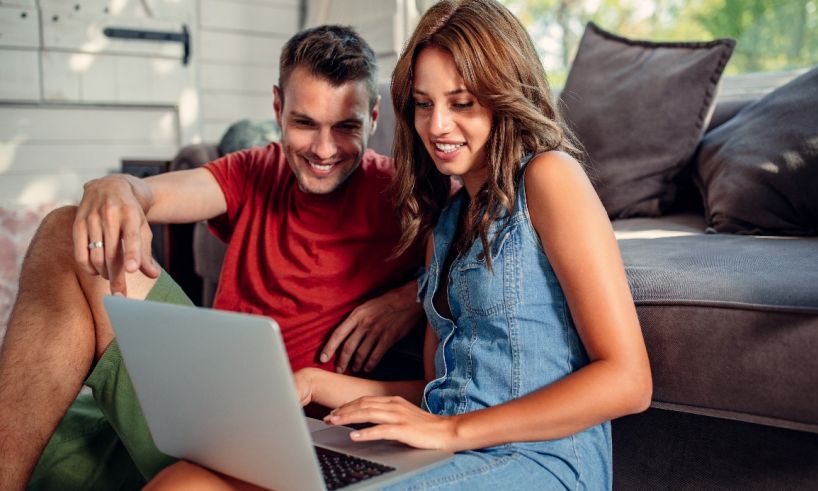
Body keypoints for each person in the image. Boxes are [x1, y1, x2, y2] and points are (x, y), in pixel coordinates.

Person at [146, 0, 653, 489]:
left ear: (504, 97)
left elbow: (628, 381)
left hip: (538, 460)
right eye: (423, 104)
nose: (437, 126)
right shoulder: (444, 226)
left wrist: (449, 431)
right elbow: (447, 393)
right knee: (186, 481)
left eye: (462, 104)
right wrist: (311, 382)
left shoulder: (548, 177)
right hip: (446, 449)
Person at [0, 25, 425, 490]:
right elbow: (152, 195)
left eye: (345, 127)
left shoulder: (408, 194)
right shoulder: (253, 169)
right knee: (65, 227)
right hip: (202, 405)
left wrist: (414, 294)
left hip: (290, 435)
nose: (324, 150)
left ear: (373, 115)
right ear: (278, 108)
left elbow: (476, 263)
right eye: (305, 123)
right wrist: (118, 186)